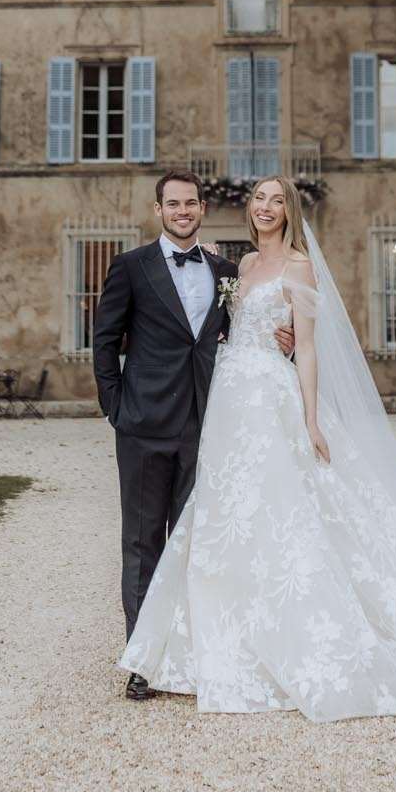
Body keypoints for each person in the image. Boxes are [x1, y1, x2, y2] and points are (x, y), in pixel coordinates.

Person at [120, 176, 396, 722]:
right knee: (227, 514)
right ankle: (217, 638)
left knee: (283, 511)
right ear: (248, 208)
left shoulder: (298, 266)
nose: (266, 207)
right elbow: (213, 331)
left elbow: (310, 346)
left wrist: (312, 418)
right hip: (227, 400)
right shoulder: (239, 267)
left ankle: (295, 637)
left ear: (290, 211)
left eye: (277, 200)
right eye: (260, 199)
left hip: (271, 398)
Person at [92, 170, 293, 701]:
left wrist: (286, 339)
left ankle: (187, 651)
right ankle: (142, 660)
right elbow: (105, 339)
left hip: (208, 425)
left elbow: (245, 332)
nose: (182, 212)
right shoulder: (130, 267)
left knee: (194, 544)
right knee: (141, 543)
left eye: (191, 204)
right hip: (142, 425)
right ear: (158, 210)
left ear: (203, 209)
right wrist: (116, 406)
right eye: (172, 204)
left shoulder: (229, 270)